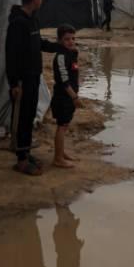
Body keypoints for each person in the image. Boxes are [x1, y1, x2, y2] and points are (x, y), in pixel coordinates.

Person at [6, 0, 60, 176]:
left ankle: (26, 153)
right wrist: (14, 83)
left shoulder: (32, 20)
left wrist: (58, 46)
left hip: (33, 77)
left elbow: (39, 43)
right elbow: (11, 55)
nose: (42, 0)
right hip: (22, 81)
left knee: (28, 117)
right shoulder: (18, 23)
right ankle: (21, 161)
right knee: (21, 118)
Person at [50, 24, 81, 168]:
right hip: (63, 97)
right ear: (59, 40)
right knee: (61, 126)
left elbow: (74, 70)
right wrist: (75, 97)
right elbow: (64, 81)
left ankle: (61, 153)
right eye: (67, 39)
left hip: (69, 97)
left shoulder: (70, 54)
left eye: (73, 38)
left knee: (65, 124)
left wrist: (74, 53)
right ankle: (58, 159)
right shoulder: (61, 56)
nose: (71, 41)